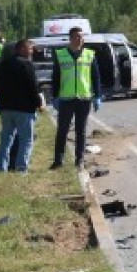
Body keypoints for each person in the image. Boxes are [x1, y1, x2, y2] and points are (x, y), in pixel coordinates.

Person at [50, 26, 102, 170]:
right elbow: (55, 77)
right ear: (71, 38)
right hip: (66, 98)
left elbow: (95, 76)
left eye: (82, 37)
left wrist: (98, 96)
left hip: (84, 98)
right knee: (62, 130)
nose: (80, 39)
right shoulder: (61, 54)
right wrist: (54, 96)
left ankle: (79, 160)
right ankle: (58, 160)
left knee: (81, 130)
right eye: (77, 37)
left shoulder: (90, 54)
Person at [0, 39, 45, 172]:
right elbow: (32, 87)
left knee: (6, 139)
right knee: (26, 140)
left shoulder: (2, 64)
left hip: (6, 108)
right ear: (22, 49)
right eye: (30, 49)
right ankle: (21, 168)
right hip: (24, 109)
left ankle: (1, 167)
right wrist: (38, 104)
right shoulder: (27, 64)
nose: (32, 52)